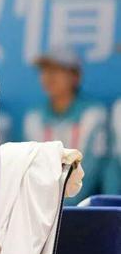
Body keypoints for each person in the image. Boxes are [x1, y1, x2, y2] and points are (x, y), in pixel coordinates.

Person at [22, 46, 110, 204]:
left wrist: (64, 207)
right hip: (41, 209)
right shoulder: (33, 118)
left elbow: (92, 170)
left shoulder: (94, 114)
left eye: (57, 70)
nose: (49, 76)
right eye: (45, 70)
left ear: (76, 77)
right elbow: (28, 170)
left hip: (83, 209)